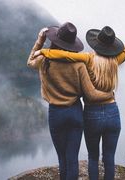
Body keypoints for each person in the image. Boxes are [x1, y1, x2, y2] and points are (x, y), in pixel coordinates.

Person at [35, 15, 125, 180]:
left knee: (93, 158)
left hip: (92, 113)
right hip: (113, 112)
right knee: (109, 158)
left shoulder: (88, 58)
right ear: (112, 46)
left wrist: (44, 51)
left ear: (96, 44)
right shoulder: (116, 60)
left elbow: (66, 56)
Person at [27, 22, 113, 180]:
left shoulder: (45, 60)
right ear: (72, 45)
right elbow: (91, 94)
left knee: (62, 158)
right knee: (72, 158)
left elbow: (29, 61)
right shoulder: (79, 64)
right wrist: (109, 95)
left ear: (54, 40)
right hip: (75, 113)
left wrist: (40, 41)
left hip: (56, 113)